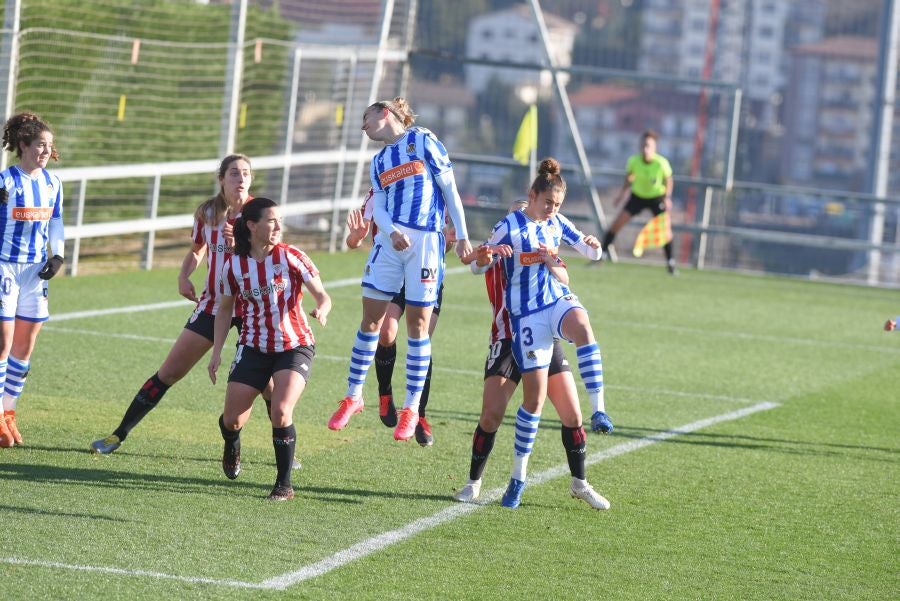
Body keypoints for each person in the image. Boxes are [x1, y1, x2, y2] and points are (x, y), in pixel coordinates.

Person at [90, 156, 298, 468]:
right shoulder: (208, 213)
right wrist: (184, 275)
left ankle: (281, 452)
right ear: (221, 179)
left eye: (245, 174)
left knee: (268, 385)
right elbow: (197, 250)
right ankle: (118, 434)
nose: (240, 179)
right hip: (214, 303)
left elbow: (271, 254)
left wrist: (236, 245)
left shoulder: (258, 213)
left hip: (253, 309)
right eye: (233, 173)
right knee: (170, 371)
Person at [327, 97, 472, 442]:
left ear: (386, 112)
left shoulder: (422, 139)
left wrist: (463, 236)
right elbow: (378, 208)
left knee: (418, 327)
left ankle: (411, 409)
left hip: (425, 243)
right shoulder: (378, 162)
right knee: (371, 322)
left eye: (366, 117)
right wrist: (390, 232)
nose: (362, 126)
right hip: (389, 245)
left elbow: (449, 187)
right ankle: (354, 396)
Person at [453, 201, 609, 510]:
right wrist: (482, 256)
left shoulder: (541, 239)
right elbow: (475, 264)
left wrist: (567, 256)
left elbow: (563, 275)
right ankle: (473, 483)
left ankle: (580, 483)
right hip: (507, 338)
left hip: (542, 333)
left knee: (572, 415)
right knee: (491, 415)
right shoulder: (502, 243)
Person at [208, 197, 330, 501]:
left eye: (279, 220)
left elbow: (323, 296)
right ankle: (232, 442)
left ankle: (284, 485)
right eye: (271, 220)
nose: (277, 226)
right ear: (251, 225)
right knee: (232, 420)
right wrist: (216, 352)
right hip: (253, 346)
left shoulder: (292, 256)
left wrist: (322, 309)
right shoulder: (233, 266)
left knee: (281, 409)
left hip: (294, 345)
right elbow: (224, 310)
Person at [344, 187, 451, 446]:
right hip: (392, 272)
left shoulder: (436, 187)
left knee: (421, 337)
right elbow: (355, 238)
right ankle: (384, 394)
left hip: (424, 270)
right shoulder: (381, 189)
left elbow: (447, 239)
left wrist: (447, 240)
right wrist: (355, 239)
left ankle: (418, 415)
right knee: (386, 332)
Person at [0, 112, 65, 448]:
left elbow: (56, 221)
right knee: (3, 342)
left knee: (25, 347)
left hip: (35, 272)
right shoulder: (5, 182)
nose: (45, 151)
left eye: (49, 146)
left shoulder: (53, 184)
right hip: (5, 268)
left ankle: (9, 413)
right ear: (23, 145)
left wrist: (58, 256)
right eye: (40, 144)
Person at [601, 129, 676, 274]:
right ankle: (601, 256)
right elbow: (629, 178)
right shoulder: (633, 161)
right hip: (637, 197)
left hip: (656, 198)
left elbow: (669, 180)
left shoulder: (661, 163)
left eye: (649, 146)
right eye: (643, 145)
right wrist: (621, 195)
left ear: (654, 148)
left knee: (665, 230)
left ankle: (671, 263)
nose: (645, 148)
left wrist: (667, 198)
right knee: (616, 224)